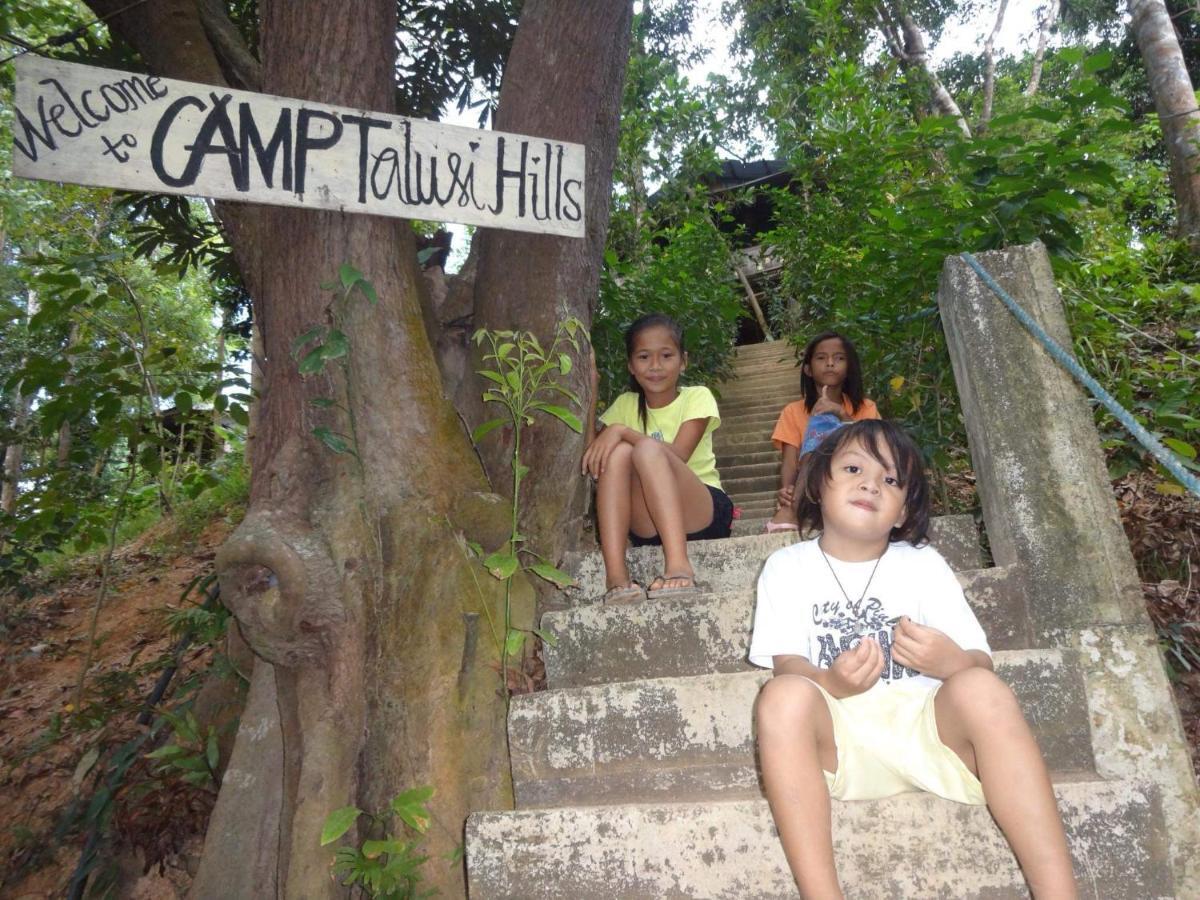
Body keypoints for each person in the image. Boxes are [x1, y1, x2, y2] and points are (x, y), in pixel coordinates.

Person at [749, 420, 1076, 898]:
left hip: (929, 735)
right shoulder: (786, 566)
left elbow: (979, 663)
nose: (870, 484)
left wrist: (949, 661)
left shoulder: (922, 563)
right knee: (781, 698)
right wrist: (832, 683)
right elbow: (788, 665)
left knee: (981, 688)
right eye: (854, 468)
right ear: (819, 484)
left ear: (903, 512)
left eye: (891, 480)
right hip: (838, 744)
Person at [582, 313, 734, 604]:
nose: (655, 366)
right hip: (647, 524)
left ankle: (678, 564)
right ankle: (616, 576)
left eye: (666, 355)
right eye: (643, 357)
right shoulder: (625, 405)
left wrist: (621, 430)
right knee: (619, 453)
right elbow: (594, 459)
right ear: (631, 365)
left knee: (645, 449)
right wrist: (591, 391)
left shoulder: (697, 397)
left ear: (683, 360)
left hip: (702, 511)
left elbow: (676, 455)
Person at [766, 331, 878, 533]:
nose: (830, 363)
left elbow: (876, 450)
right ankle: (791, 508)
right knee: (815, 444)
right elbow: (790, 462)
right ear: (808, 369)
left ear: (849, 367)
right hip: (812, 489)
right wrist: (787, 491)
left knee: (825, 436)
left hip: (857, 484)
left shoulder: (866, 408)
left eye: (839, 358)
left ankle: (794, 510)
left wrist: (841, 414)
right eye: (821, 358)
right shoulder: (793, 411)